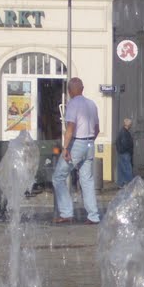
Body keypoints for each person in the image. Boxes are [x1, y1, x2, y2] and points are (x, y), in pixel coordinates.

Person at [52, 77, 101, 224]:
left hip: (77, 144)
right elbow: (97, 129)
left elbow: (70, 128)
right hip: (89, 144)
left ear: (69, 91)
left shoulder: (73, 104)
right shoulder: (92, 104)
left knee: (58, 177)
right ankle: (93, 216)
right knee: (87, 180)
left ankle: (67, 213)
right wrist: (89, 142)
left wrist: (65, 148)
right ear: (82, 88)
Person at [114, 117, 134, 187]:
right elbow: (125, 143)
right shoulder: (124, 132)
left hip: (122, 152)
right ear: (128, 124)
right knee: (127, 168)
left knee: (121, 168)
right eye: (130, 124)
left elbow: (117, 142)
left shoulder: (123, 131)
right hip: (125, 153)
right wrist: (127, 150)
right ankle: (129, 183)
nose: (131, 125)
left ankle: (121, 183)